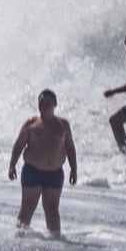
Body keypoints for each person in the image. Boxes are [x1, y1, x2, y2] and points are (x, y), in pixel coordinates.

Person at [9, 88, 78, 237]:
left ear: (55, 104)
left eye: (48, 103)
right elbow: (19, 145)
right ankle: (18, 238)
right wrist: (12, 165)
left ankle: (55, 240)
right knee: (27, 207)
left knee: (52, 208)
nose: (44, 106)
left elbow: (70, 147)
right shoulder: (31, 124)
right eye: (41, 103)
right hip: (32, 171)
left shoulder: (63, 125)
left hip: (55, 173)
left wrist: (74, 169)